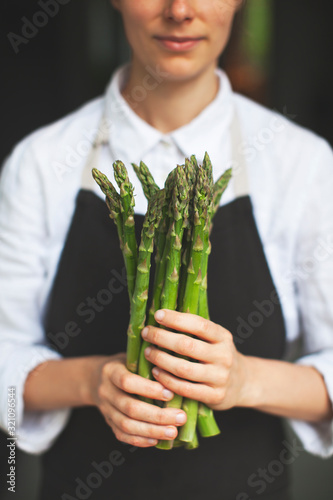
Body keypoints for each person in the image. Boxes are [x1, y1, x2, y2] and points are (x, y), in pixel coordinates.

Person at [0, 1, 333, 499]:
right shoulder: (40, 161)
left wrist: (244, 381)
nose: (180, 11)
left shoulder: (302, 163)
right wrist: (93, 381)